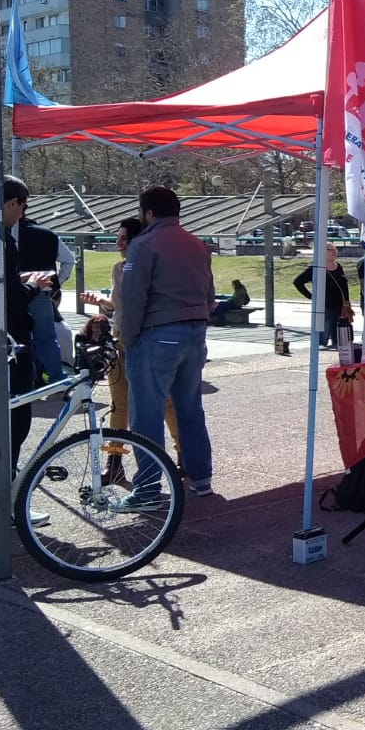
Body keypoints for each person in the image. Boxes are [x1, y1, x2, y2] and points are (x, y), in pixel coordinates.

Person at [115, 185, 217, 501]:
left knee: (146, 415)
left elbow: (132, 300)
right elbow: (210, 296)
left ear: (148, 213)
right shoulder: (198, 245)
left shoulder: (143, 245)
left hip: (156, 335)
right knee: (190, 408)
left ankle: (147, 487)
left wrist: (128, 339)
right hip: (195, 334)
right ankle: (201, 477)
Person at [80, 216, 180, 453]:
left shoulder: (151, 266)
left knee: (165, 400)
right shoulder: (118, 268)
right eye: (118, 239)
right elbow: (118, 304)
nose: (119, 244)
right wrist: (101, 301)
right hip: (120, 340)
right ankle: (115, 458)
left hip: (146, 341)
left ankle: (181, 453)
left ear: (137, 240)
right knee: (119, 402)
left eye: (124, 239)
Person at [6, 184, 75, 383]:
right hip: (41, 291)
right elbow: (69, 260)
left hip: (12, 293)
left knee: (17, 338)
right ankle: (56, 379)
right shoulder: (47, 235)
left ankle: (28, 379)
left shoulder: (0, 235)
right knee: (46, 339)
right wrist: (56, 283)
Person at [0, 177, 47, 463]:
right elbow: (12, 297)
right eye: (22, 206)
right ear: (11, 203)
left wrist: (20, 281)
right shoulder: (4, 240)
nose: (22, 213)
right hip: (13, 337)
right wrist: (33, 286)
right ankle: (10, 475)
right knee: (18, 413)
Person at [293, 242, 354, 347]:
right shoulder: (315, 268)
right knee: (322, 339)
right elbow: (297, 282)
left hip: (341, 308)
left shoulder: (338, 266)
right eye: (330, 250)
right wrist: (312, 297)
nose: (334, 252)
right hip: (325, 309)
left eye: (335, 249)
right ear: (322, 252)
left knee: (340, 340)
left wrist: (347, 302)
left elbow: (344, 286)